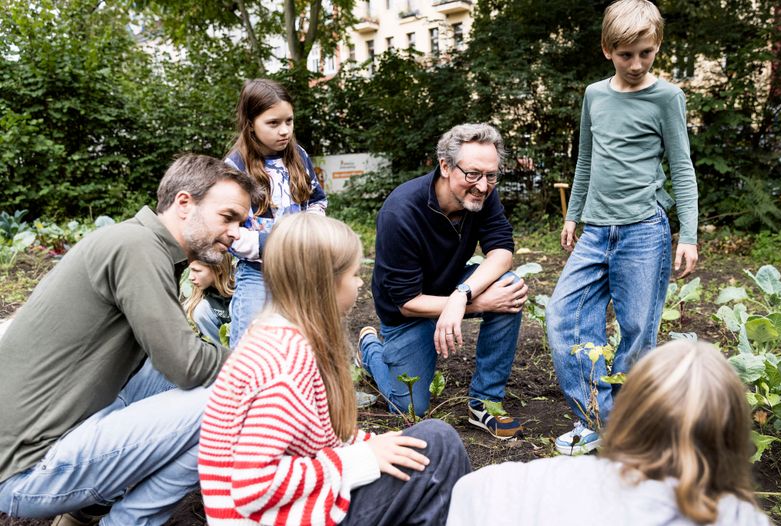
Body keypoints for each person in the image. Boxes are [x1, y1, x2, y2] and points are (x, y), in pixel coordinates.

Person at [0, 154, 255, 526]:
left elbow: (171, 360)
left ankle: (82, 513)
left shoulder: (135, 240)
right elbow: (186, 364)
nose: (236, 231)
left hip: (32, 440)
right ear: (184, 203)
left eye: (241, 222)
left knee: (158, 371)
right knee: (230, 400)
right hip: (26, 469)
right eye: (228, 216)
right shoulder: (137, 248)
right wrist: (261, 362)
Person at [199, 213, 471, 525]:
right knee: (439, 444)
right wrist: (361, 459)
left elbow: (316, 441)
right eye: (354, 274)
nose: (359, 282)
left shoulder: (277, 333)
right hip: (270, 516)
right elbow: (253, 486)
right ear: (325, 282)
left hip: (283, 511)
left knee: (419, 444)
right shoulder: (285, 360)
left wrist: (371, 445)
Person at [546, 0, 699, 455]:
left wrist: (687, 234)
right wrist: (574, 213)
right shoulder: (595, 95)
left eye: (646, 53)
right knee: (564, 316)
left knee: (636, 332)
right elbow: (587, 160)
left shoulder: (667, 97)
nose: (636, 64)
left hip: (644, 232)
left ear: (658, 47)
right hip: (596, 230)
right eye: (625, 54)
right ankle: (595, 419)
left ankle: (631, 429)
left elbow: (682, 167)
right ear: (607, 49)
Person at [446, 341, 771, 526]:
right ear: (732, 437)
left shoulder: (557, 477)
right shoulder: (741, 517)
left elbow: (470, 489)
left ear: (630, 414)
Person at [358, 123, 528, 439]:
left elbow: (502, 253)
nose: (483, 185)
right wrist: (476, 302)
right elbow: (407, 303)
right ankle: (369, 348)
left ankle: (485, 403)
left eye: (492, 175)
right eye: (473, 174)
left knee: (509, 285)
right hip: (406, 314)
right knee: (411, 409)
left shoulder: (484, 194)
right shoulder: (402, 212)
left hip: (451, 289)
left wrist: (462, 295)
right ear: (446, 166)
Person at [225, 78, 327, 350]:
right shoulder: (235, 168)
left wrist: (310, 229)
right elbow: (228, 231)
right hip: (258, 273)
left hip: (300, 270)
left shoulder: (299, 156)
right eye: (273, 123)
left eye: (289, 122)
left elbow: (317, 200)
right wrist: (277, 243)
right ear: (250, 123)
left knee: (304, 343)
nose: (284, 131)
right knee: (249, 349)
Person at [184, 254, 235, 346]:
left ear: (218, 269)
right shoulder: (202, 304)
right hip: (224, 348)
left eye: (197, 271)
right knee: (200, 312)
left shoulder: (242, 285)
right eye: (190, 270)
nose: (190, 277)